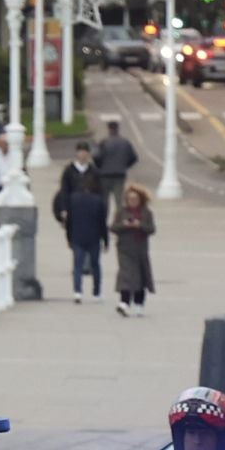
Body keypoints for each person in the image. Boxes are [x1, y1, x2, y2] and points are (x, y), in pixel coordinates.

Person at [65, 171, 110, 304]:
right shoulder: (98, 201)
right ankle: (96, 292)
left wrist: (69, 237)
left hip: (77, 236)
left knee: (77, 265)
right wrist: (106, 240)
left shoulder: (73, 199)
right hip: (94, 237)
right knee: (95, 265)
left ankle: (77, 292)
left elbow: (69, 221)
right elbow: (102, 223)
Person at [113, 184, 157, 317]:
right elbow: (114, 227)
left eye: (135, 199)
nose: (132, 202)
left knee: (140, 277)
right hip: (124, 249)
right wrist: (124, 225)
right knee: (126, 276)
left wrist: (140, 225)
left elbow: (151, 229)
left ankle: (139, 304)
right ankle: (124, 302)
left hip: (140, 249)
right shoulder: (121, 211)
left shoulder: (146, 213)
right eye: (129, 199)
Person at [94, 119, 139, 216]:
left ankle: (103, 221)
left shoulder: (104, 142)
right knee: (119, 200)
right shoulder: (125, 142)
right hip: (119, 174)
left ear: (108, 129)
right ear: (118, 129)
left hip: (105, 175)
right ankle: (119, 221)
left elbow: (96, 157)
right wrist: (125, 166)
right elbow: (134, 158)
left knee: (104, 200)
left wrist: (100, 167)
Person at [54, 142, 95, 228]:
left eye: (85, 152)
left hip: (88, 207)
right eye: (80, 151)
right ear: (77, 153)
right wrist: (64, 209)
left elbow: (98, 190)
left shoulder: (93, 171)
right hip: (72, 207)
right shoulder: (69, 170)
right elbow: (64, 190)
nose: (83, 154)